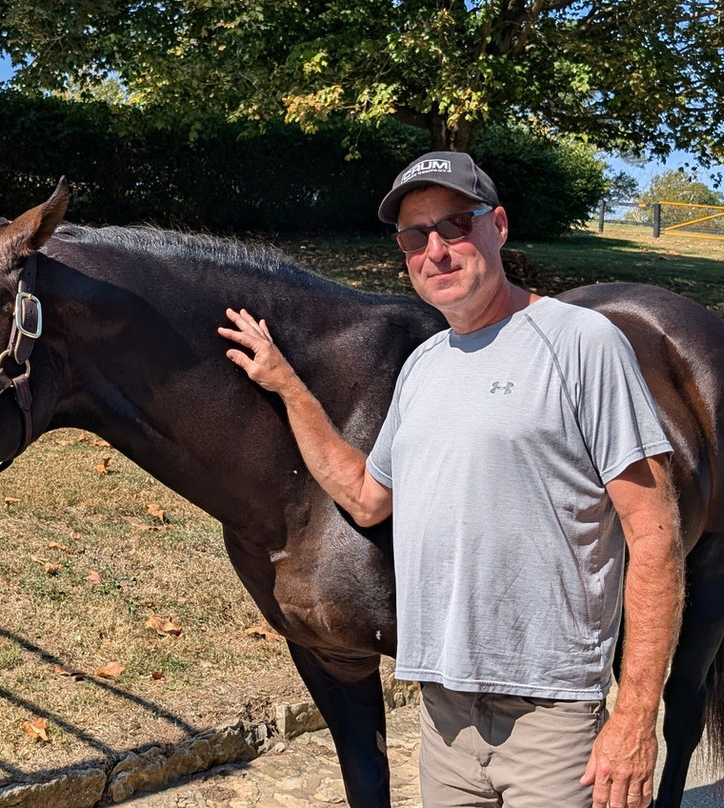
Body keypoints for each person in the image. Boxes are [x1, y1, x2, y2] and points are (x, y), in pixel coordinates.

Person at [218, 151, 684, 808]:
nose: (435, 250)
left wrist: (636, 718)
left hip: (550, 719)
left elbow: (654, 536)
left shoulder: (582, 343)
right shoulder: (425, 366)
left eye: (456, 225)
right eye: (416, 236)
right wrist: (288, 386)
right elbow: (364, 497)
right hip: (442, 719)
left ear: (498, 225)